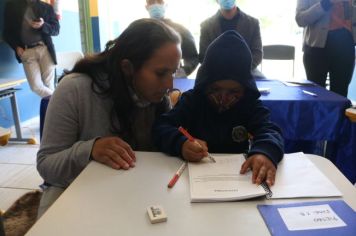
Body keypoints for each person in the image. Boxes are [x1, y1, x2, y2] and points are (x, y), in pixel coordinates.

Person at [36, 19, 182, 217]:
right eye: (161, 73)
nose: (169, 84)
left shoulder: (159, 100)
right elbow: (47, 165)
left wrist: (181, 144)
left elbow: (161, 155)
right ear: (127, 67)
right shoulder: (75, 89)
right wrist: (90, 150)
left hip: (134, 195)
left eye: (173, 72)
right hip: (77, 194)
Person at [153, 31, 284, 187]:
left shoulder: (249, 104)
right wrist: (181, 144)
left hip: (239, 181)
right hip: (194, 179)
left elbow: (270, 131)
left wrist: (264, 152)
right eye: (215, 89)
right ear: (204, 84)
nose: (223, 98)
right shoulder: (193, 100)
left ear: (245, 88)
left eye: (233, 92)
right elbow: (161, 126)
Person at [296, 0, 356, 97]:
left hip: (345, 44)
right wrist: (326, 3)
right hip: (316, 48)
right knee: (315, 95)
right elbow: (300, 19)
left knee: (340, 97)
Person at [3, 0, 60, 98]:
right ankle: (60, 101)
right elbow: (6, 32)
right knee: (36, 86)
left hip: (45, 49)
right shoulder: (12, 6)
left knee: (48, 85)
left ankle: (53, 111)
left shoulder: (46, 7)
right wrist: (16, 47)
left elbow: (56, 30)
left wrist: (43, 25)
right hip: (26, 52)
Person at [199, 0, 262, 71]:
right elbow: (203, 56)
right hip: (215, 73)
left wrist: (241, 70)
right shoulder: (206, 26)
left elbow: (257, 53)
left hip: (247, 71)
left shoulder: (253, 23)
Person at [146, 0, 199, 77]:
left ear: (165, 5)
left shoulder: (180, 29)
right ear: (146, 6)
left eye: (160, 2)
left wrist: (184, 70)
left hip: (174, 79)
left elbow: (192, 57)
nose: (156, 5)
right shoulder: (138, 31)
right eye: (152, 2)